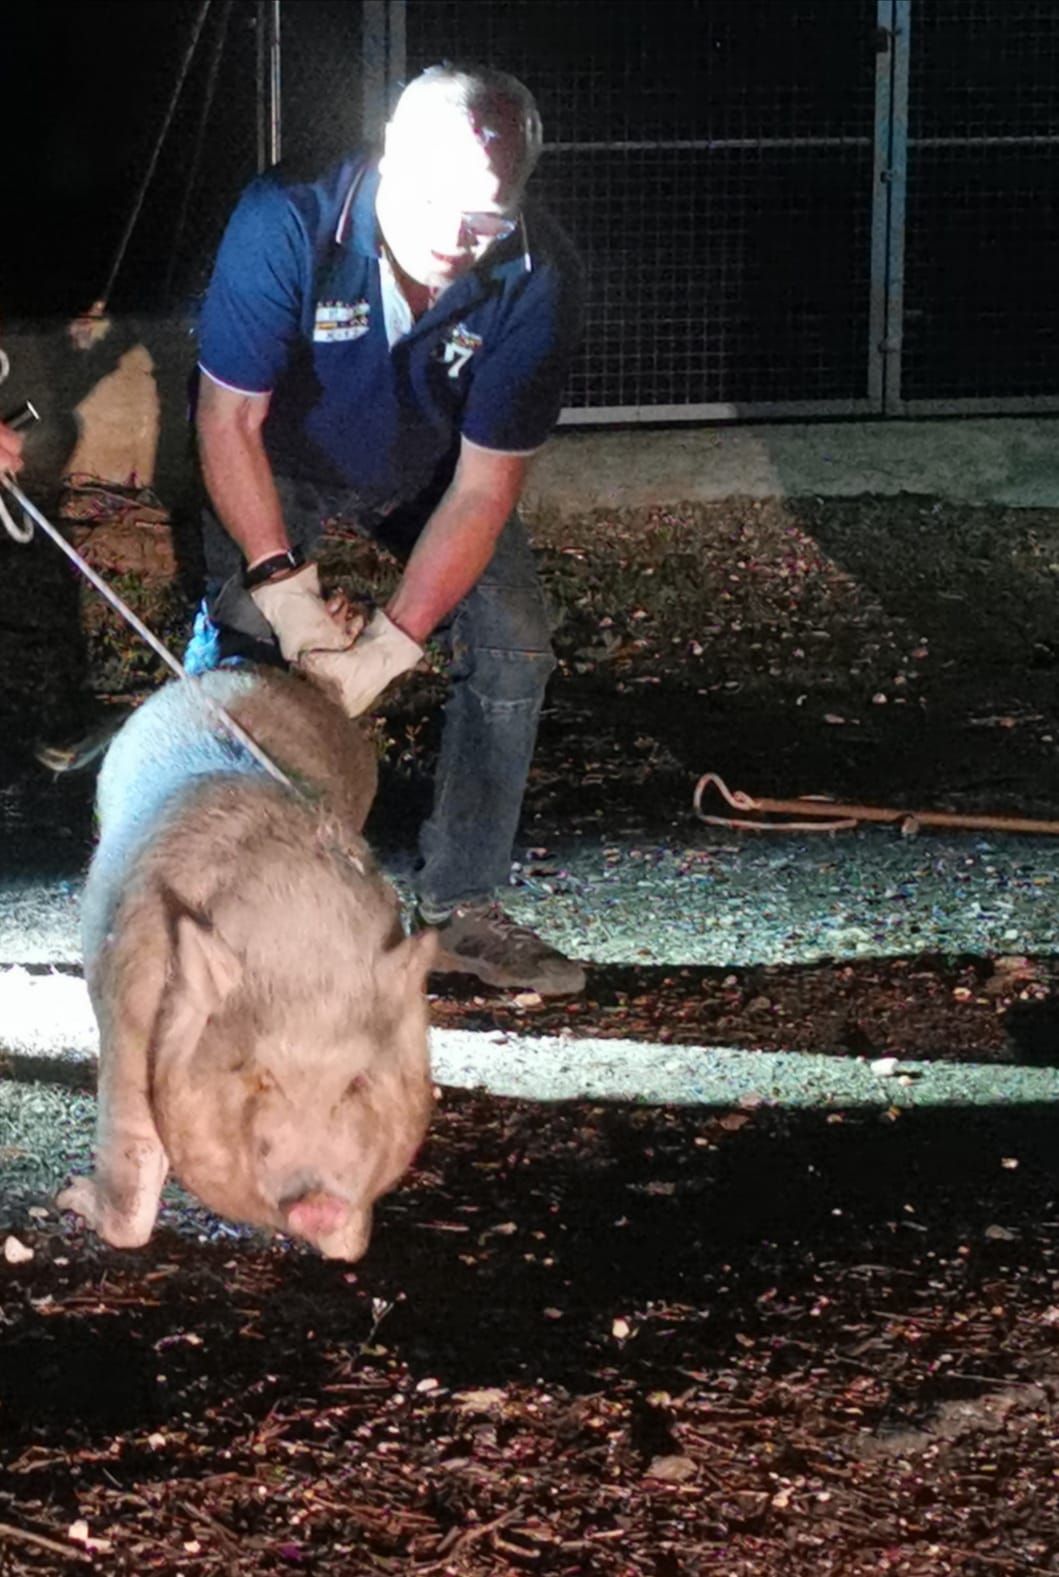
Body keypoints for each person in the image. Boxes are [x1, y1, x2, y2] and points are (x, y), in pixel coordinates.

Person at [189, 63, 586, 995]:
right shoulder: (284, 218)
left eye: (486, 215)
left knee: (515, 641)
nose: (457, 238)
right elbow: (226, 421)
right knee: (247, 649)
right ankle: (220, 894)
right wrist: (283, 589)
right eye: (436, 202)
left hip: (427, 471)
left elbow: (484, 489)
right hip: (279, 452)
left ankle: (460, 906)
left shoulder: (540, 273)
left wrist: (392, 643)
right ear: (388, 156)